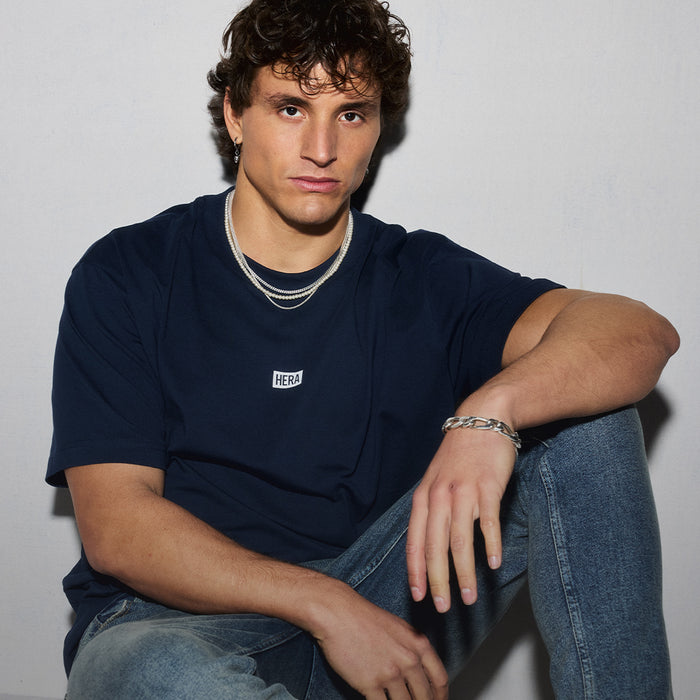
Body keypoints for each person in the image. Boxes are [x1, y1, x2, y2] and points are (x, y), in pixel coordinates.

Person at [47, 0, 679, 698]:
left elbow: (638, 331)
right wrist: (324, 605)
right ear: (235, 114)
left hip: (382, 605)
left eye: (351, 114)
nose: (322, 147)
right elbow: (117, 527)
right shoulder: (131, 272)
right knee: (147, 669)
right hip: (177, 628)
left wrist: (492, 412)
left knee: (585, 414)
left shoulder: (420, 277)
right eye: (291, 108)